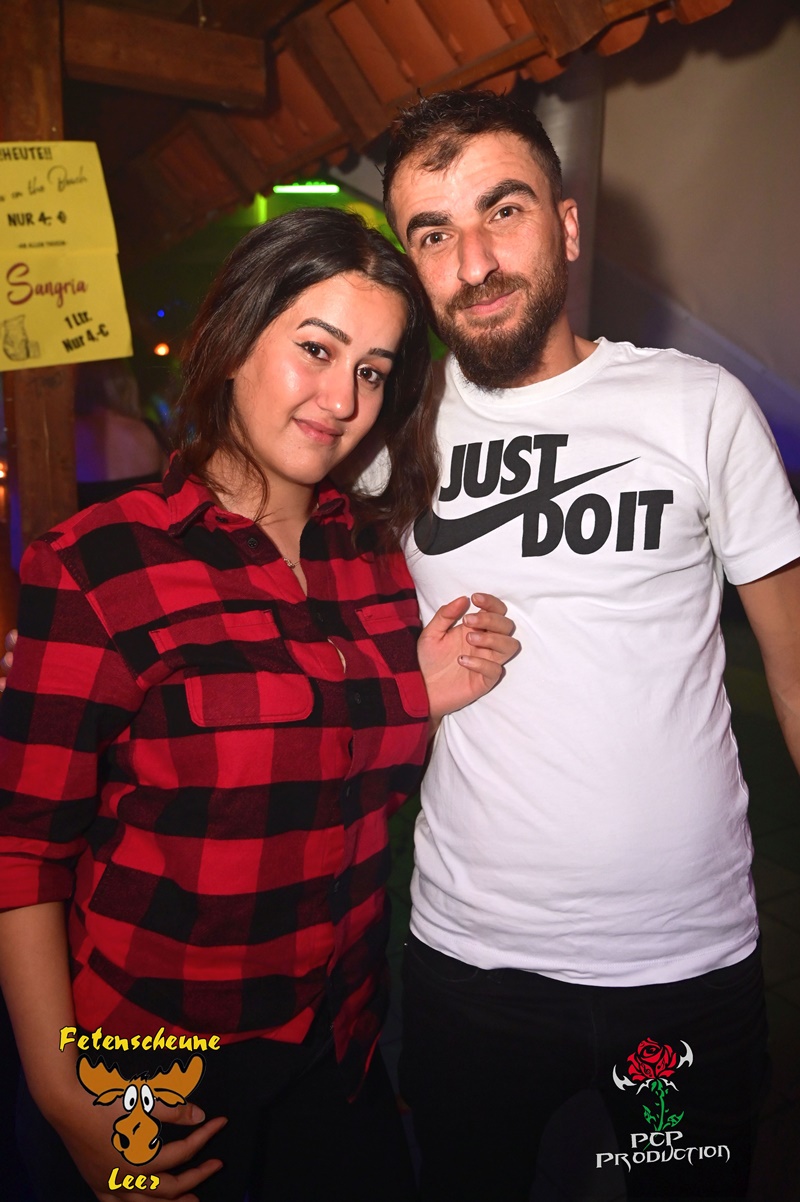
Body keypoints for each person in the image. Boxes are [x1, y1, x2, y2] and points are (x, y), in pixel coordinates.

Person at [0, 206, 519, 1202]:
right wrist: (62, 1094)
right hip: (155, 1066)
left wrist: (420, 694)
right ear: (235, 339)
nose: (343, 398)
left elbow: (326, 747)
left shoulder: (376, 563)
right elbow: (25, 849)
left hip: (342, 1041)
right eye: (315, 350)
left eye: (373, 370)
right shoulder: (100, 563)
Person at [374, 89, 800, 1201]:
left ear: (565, 225)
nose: (473, 262)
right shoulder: (389, 429)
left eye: (502, 211)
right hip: (469, 959)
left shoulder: (698, 406)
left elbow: (795, 669)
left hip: (684, 960)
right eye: (433, 233)